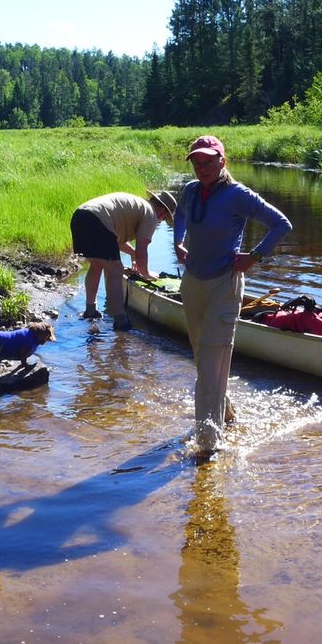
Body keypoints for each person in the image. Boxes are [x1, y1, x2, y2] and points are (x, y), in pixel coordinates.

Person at [172, 135, 291, 453]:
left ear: (222, 161)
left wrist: (255, 256)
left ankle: (208, 445)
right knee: (203, 359)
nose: (202, 168)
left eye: (208, 161)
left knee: (211, 362)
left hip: (225, 285)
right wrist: (178, 241)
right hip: (193, 283)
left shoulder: (238, 195)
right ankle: (226, 414)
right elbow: (180, 213)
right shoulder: (190, 190)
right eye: (197, 163)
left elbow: (281, 224)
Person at [70, 190, 175, 330]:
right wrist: (147, 274)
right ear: (162, 211)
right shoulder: (150, 213)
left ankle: (90, 310)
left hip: (80, 216)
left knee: (96, 265)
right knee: (116, 271)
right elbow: (142, 249)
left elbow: (114, 240)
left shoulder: (137, 207)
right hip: (96, 220)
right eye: (164, 218)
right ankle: (120, 321)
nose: (161, 221)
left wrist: (132, 253)